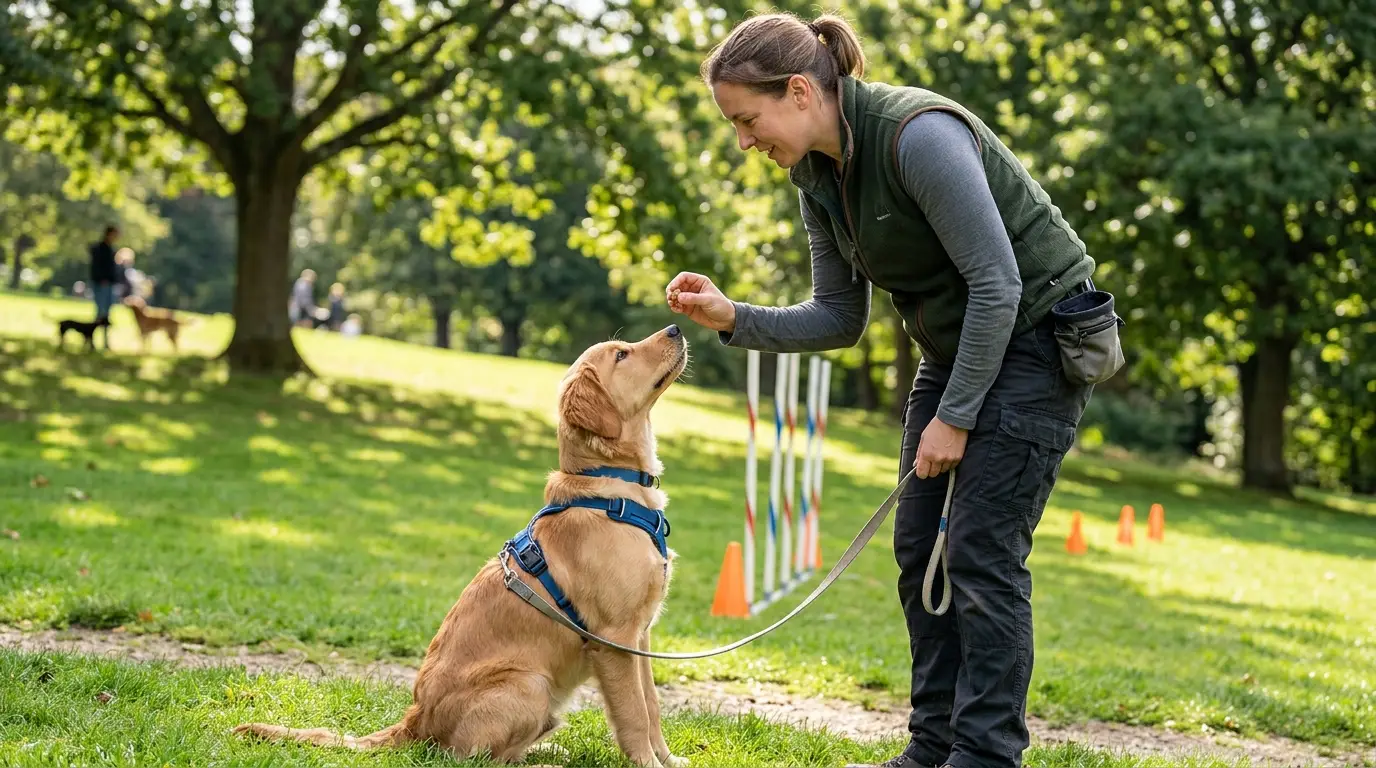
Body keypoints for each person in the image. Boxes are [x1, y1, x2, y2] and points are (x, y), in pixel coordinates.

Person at [667, 13, 1105, 768]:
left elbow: (998, 285)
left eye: (747, 118)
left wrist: (956, 418)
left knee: (979, 554)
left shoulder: (918, 136)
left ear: (800, 91)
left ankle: (986, 755)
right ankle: (932, 748)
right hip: (957, 349)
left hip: (1035, 341)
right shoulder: (816, 175)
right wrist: (732, 315)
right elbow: (840, 317)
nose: (743, 140)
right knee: (917, 548)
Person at [88, 225, 119, 321]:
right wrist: (101, 278)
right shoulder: (100, 249)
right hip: (102, 283)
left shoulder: (111, 249)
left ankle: (104, 332)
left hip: (110, 283)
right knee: (101, 309)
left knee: (108, 309)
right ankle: (95, 330)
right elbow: (96, 266)